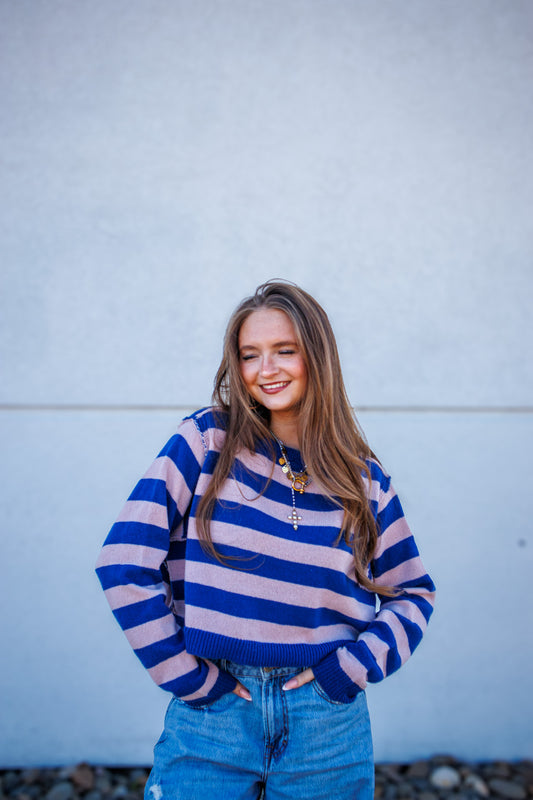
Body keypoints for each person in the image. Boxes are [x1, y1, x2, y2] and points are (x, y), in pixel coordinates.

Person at [96, 279, 435, 800]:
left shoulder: (363, 480)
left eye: (284, 351)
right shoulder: (208, 441)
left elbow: (412, 593)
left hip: (325, 721)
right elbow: (123, 562)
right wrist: (186, 678)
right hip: (214, 715)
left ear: (317, 356)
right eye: (250, 355)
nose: (266, 370)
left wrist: (349, 670)